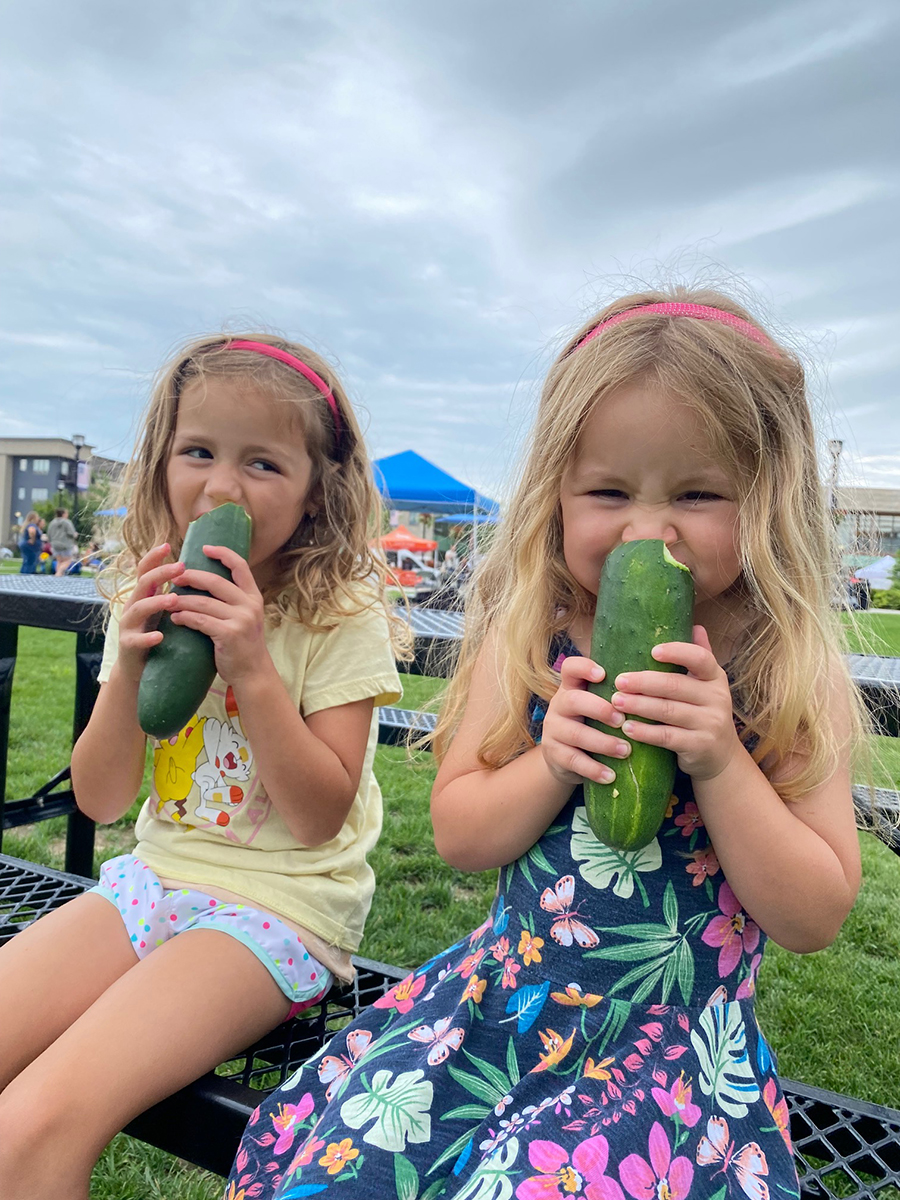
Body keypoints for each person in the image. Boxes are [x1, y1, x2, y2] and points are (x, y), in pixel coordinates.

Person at [224, 290, 866, 1199]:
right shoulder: (529, 637)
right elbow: (459, 833)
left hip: (671, 1062)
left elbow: (815, 915)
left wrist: (721, 760)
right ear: (555, 495)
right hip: (501, 1015)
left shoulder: (785, 673)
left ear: (767, 496)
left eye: (697, 493)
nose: (648, 528)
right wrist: (551, 761)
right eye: (608, 492)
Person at [0, 334, 410, 1197]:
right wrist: (130, 661)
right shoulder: (151, 595)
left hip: (279, 910)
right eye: (199, 452)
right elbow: (103, 797)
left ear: (316, 491)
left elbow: (318, 817)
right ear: (160, 465)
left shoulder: (339, 616)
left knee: (33, 1127)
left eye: (262, 462)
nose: (221, 486)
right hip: (152, 881)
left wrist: (255, 670)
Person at [46, 506, 78, 576]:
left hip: (55, 544)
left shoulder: (52, 523)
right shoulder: (67, 522)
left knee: (59, 561)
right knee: (67, 561)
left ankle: (59, 576)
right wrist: (75, 535)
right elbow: (71, 533)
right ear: (63, 514)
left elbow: (49, 534)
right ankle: (58, 573)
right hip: (65, 545)